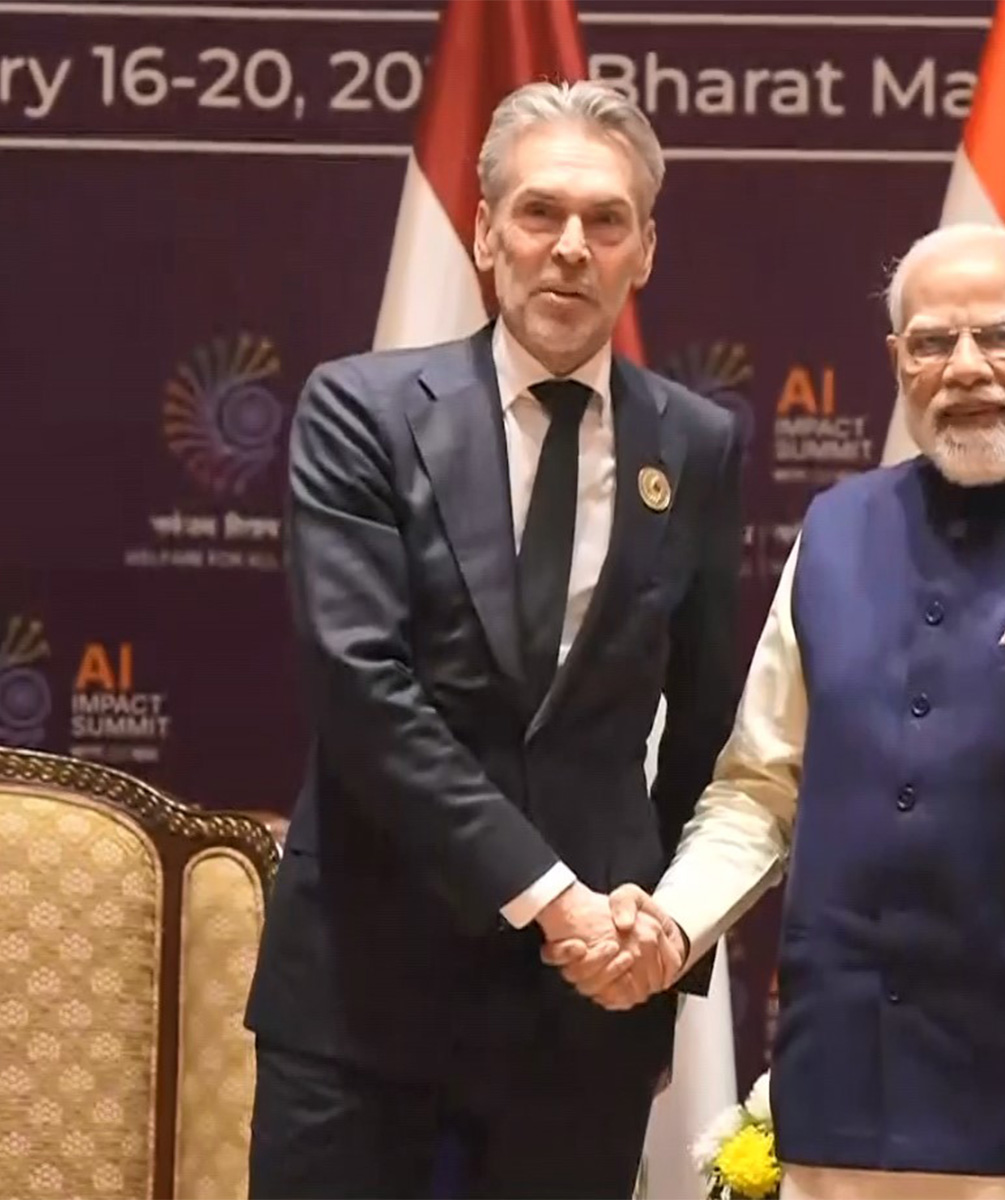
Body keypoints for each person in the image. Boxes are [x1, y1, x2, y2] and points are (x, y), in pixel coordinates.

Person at [549, 222, 1005, 1200]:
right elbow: (757, 790)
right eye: (934, 342)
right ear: (898, 363)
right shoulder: (833, 532)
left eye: (1002, 338)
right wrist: (671, 930)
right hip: (844, 1103)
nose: (967, 368)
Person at [243, 79, 743, 1199]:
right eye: (539, 213)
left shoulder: (698, 445)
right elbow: (361, 690)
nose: (571, 247)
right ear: (482, 232)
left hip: (585, 1013)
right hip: (366, 998)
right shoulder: (360, 412)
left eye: (605, 221)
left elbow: (710, 728)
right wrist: (557, 899)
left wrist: (657, 942)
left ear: (644, 251)